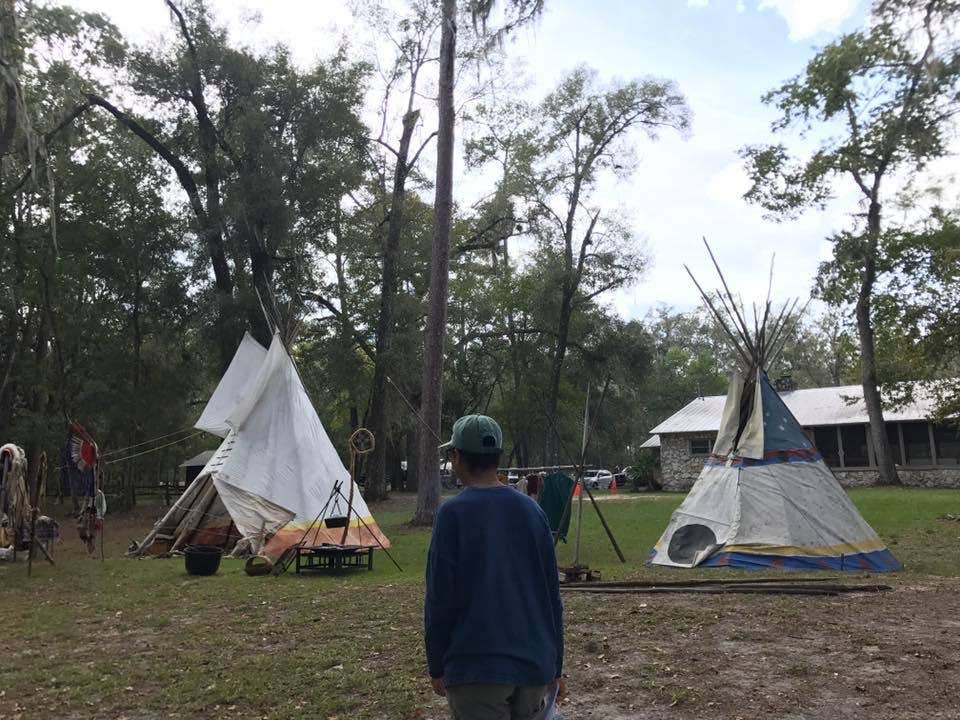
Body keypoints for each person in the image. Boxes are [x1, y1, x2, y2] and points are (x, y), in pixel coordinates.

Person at [425, 414, 565, 720]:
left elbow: (439, 598)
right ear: (498, 457)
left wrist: (436, 663)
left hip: (477, 670)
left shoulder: (452, 514)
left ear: (457, 457)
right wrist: (557, 665)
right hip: (534, 665)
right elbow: (552, 595)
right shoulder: (533, 511)